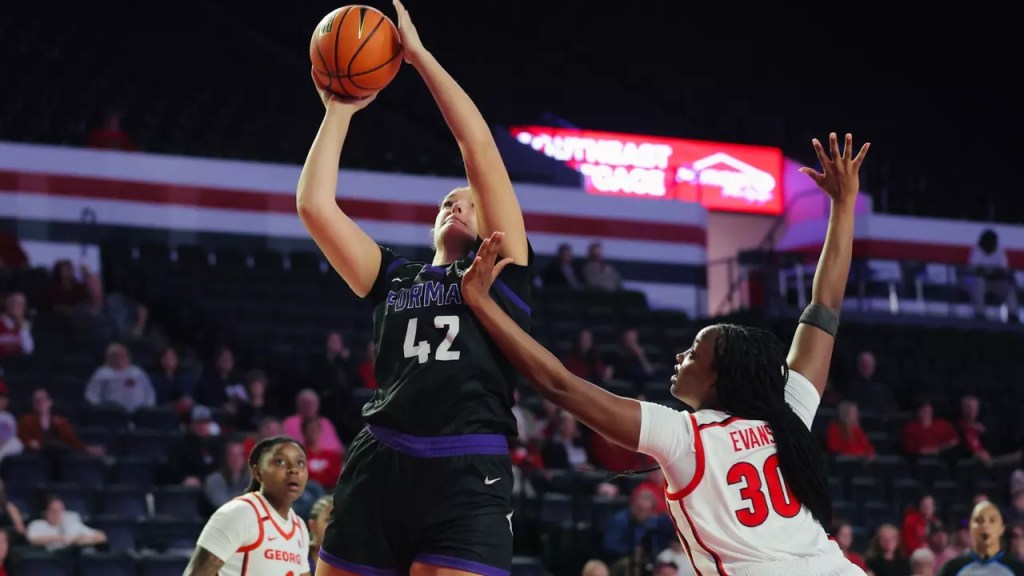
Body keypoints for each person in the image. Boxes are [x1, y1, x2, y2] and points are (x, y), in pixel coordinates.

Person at [462, 133, 870, 576]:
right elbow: (825, 307)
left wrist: (483, 305)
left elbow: (560, 385)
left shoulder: (685, 436)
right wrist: (844, 205)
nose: (679, 356)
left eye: (694, 352)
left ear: (718, 376)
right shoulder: (786, 413)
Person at [296, 1, 531, 574]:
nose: (457, 204)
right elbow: (315, 206)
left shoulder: (501, 269)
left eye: (470, 202)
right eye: (448, 202)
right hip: (381, 456)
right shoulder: (394, 275)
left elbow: (477, 148)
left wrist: (420, 59)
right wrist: (340, 110)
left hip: (467, 467)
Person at [184, 437, 311, 576]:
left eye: (300, 463)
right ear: (258, 473)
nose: (293, 470)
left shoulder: (300, 527)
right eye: (280, 462)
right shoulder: (239, 513)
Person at [938, 501, 1024, 575]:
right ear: (970, 528)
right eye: (979, 521)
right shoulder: (952, 569)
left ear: (1001, 529)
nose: (985, 526)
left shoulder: (1018, 569)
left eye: (992, 520)